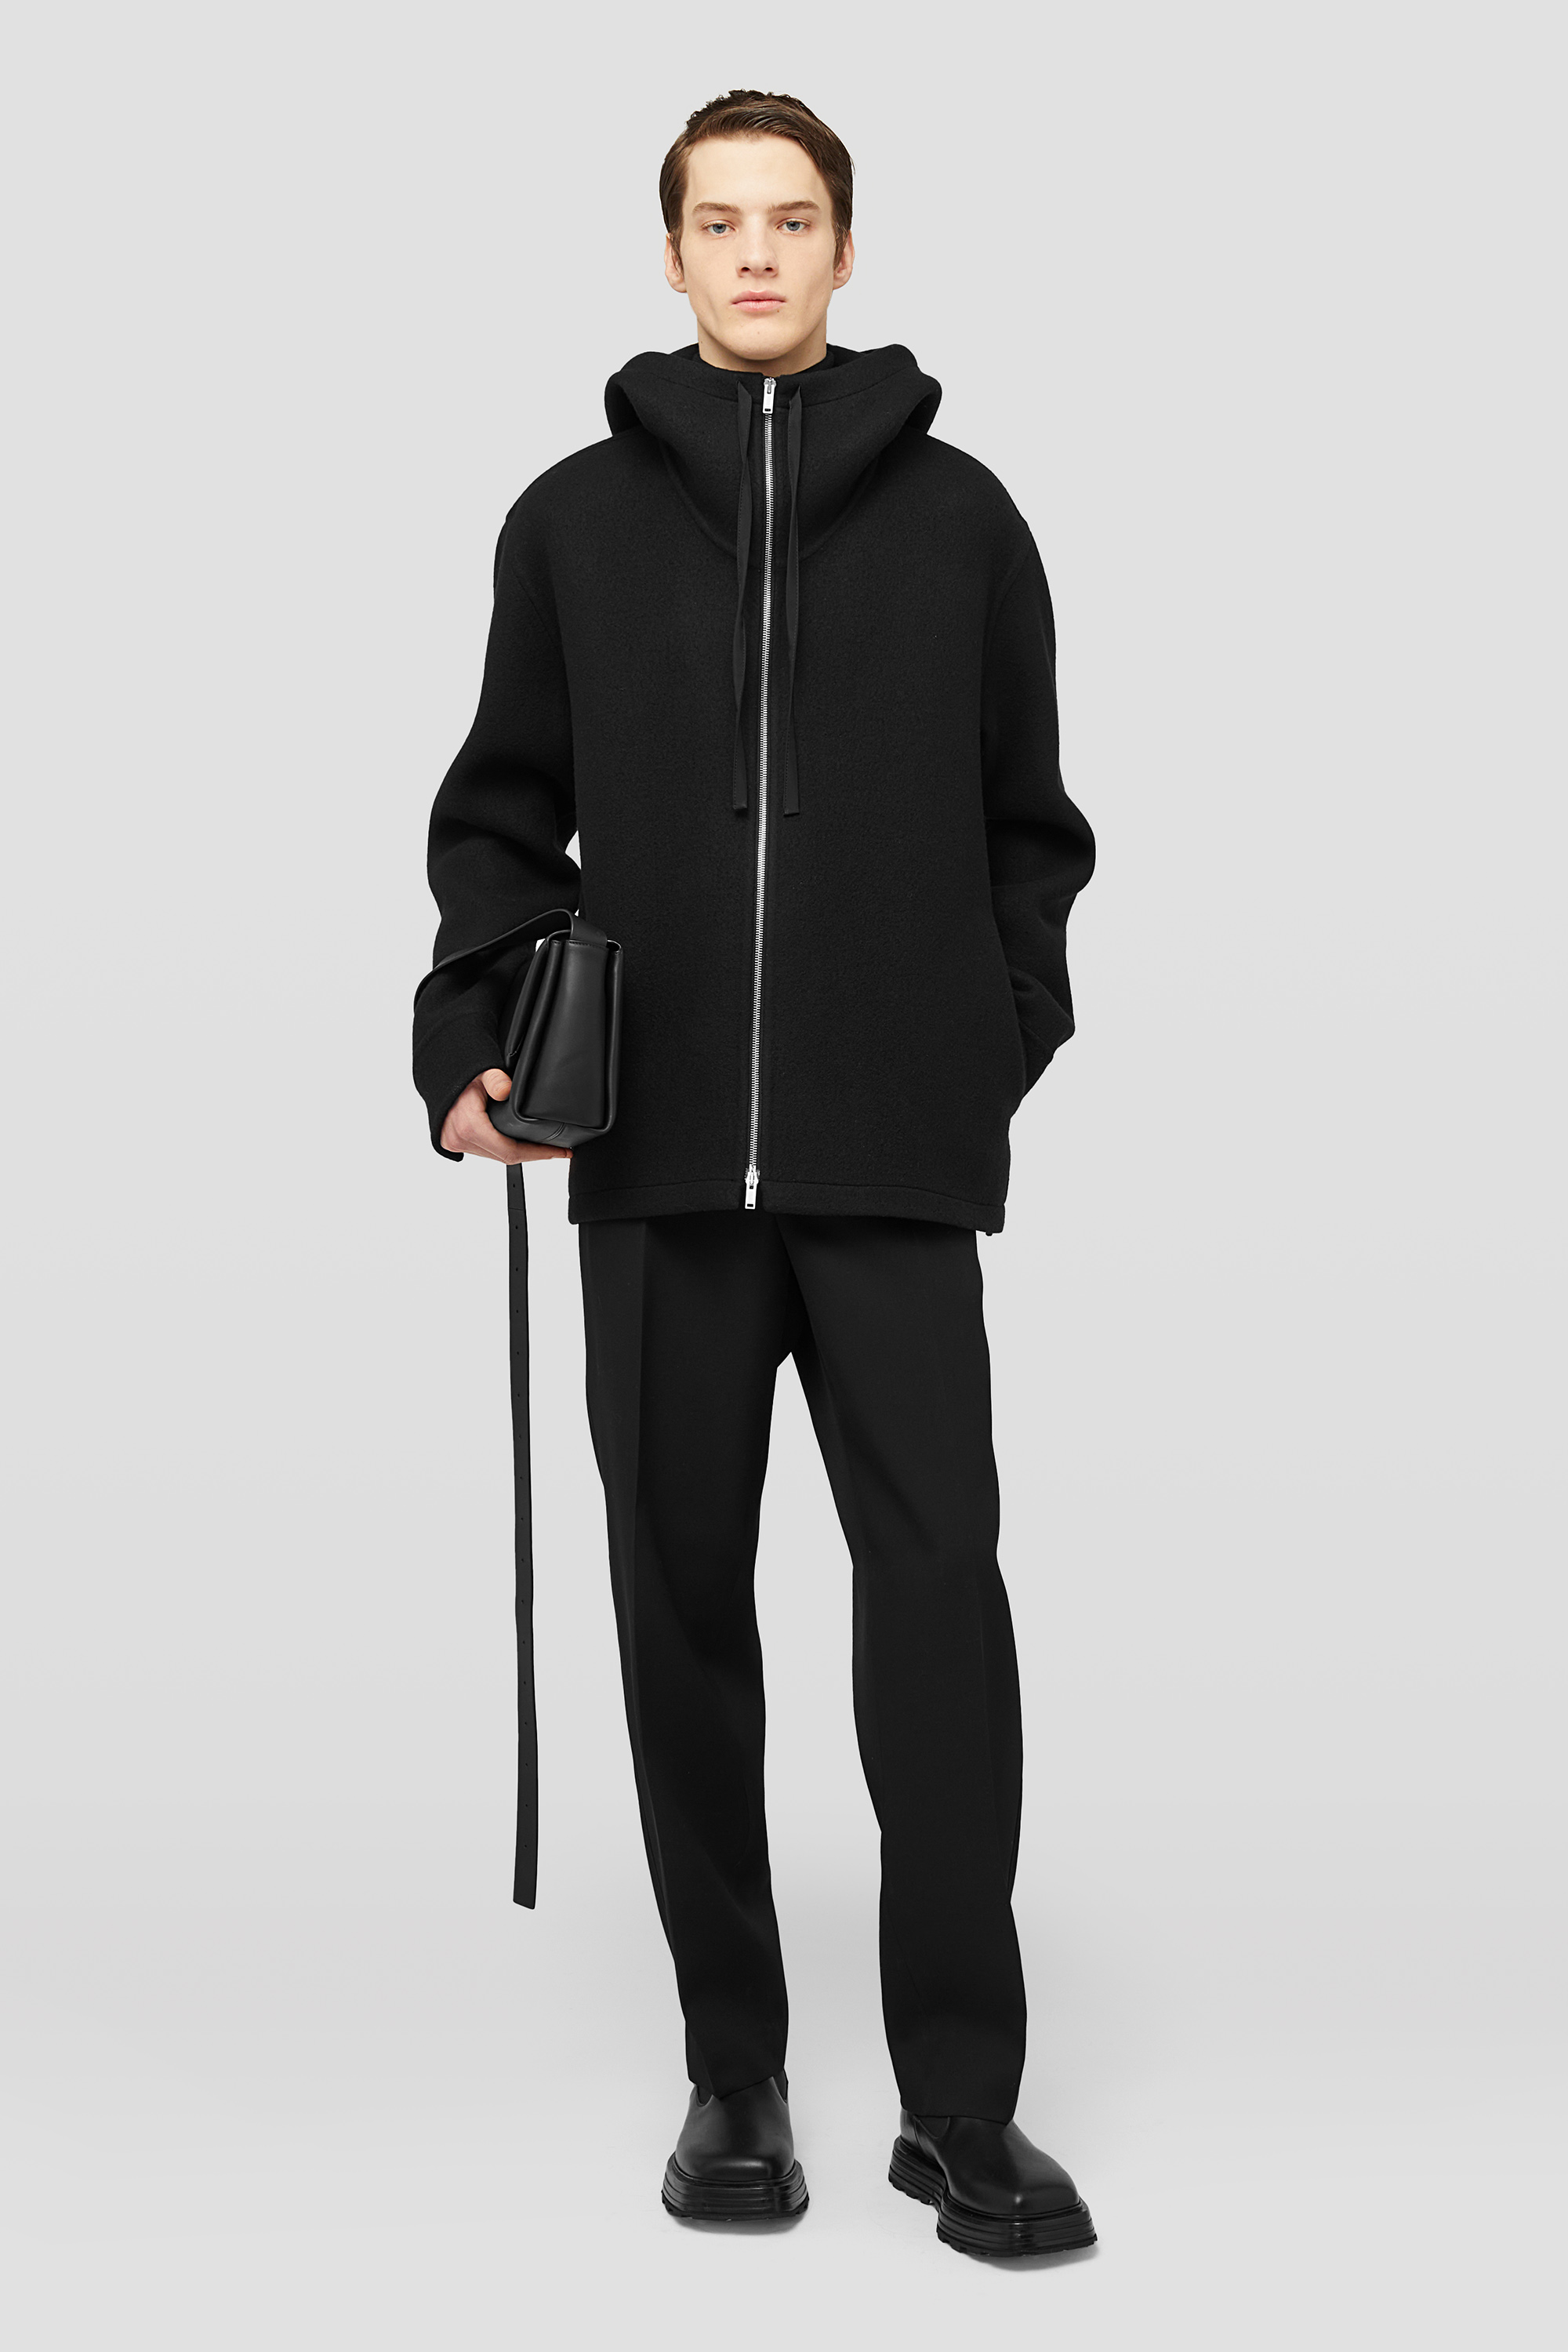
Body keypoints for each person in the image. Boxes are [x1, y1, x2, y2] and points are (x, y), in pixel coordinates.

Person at [412, 89, 1097, 2259]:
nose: (758, 253)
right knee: (679, 1606)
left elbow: (1033, 829)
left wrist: (991, 1041)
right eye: (721, 222)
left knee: (941, 1609)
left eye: (792, 219)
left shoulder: (968, 523)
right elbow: (497, 825)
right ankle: (735, 2070)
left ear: (844, 247)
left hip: (896, 1165)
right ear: (675, 254)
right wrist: (472, 1049)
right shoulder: (570, 525)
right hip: (657, 1172)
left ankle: (961, 2105)